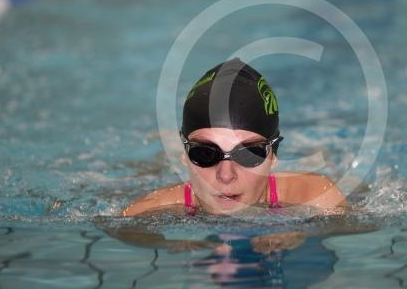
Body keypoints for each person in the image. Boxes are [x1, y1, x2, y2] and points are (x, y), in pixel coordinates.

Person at [122, 58, 346, 217]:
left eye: (249, 154)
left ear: (273, 156)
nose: (226, 176)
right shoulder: (145, 213)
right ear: (183, 154)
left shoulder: (318, 199)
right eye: (205, 153)